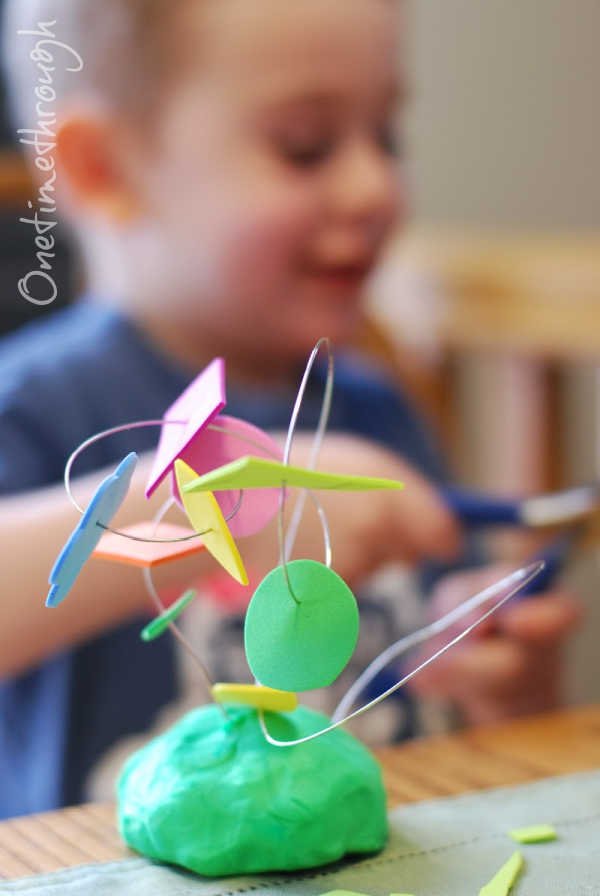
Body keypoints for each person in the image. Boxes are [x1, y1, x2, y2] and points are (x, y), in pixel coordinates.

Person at [0, 0, 579, 819]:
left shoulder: (377, 409)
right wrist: (215, 509)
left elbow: (458, 718)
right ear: (105, 167)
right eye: (305, 147)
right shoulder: (34, 407)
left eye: (387, 137)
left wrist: (501, 683)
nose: (376, 186)